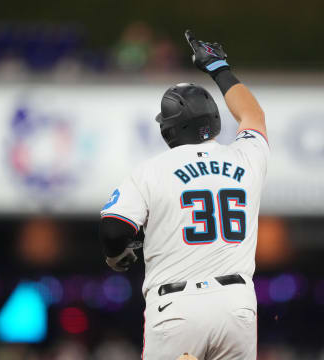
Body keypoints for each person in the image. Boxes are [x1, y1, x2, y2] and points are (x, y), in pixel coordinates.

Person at [99, 30, 269, 360]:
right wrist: (219, 67)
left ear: (169, 128)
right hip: (237, 305)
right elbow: (254, 116)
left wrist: (117, 255)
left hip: (177, 308)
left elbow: (113, 228)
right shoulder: (246, 157)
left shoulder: (151, 170)